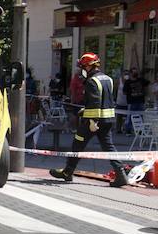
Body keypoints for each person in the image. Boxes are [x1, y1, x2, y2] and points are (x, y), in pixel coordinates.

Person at [50, 52, 130, 186]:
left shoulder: (92, 81)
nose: (81, 71)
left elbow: (95, 102)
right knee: (108, 147)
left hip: (93, 122)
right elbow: (105, 100)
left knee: (77, 144)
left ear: (88, 67)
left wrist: (93, 121)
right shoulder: (108, 79)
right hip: (108, 119)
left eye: (82, 68)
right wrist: (85, 111)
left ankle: (68, 172)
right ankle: (121, 175)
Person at [124, 69, 147, 133]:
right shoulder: (128, 82)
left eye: (136, 72)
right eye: (134, 72)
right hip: (132, 102)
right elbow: (124, 92)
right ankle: (128, 130)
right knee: (130, 116)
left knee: (140, 116)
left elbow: (148, 83)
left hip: (140, 101)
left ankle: (140, 130)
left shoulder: (141, 80)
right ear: (131, 74)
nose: (135, 73)